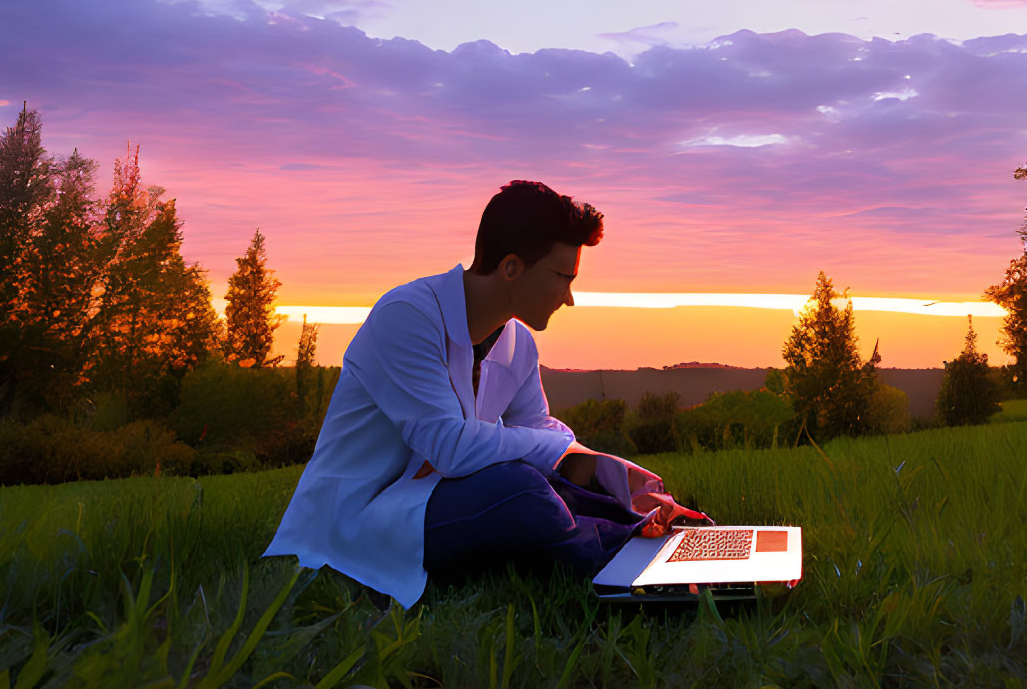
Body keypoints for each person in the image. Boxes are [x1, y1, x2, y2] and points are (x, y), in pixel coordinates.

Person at [264, 179, 701, 607]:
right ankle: (624, 556)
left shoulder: (517, 341)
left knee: (556, 481)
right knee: (521, 488)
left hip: (438, 497)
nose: (569, 298)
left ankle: (657, 531)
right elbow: (451, 448)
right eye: (561, 278)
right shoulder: (407, 316)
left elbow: (536, 429)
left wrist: (601, 465)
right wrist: (557, 451)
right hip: (362, 515)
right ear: (511, 268)